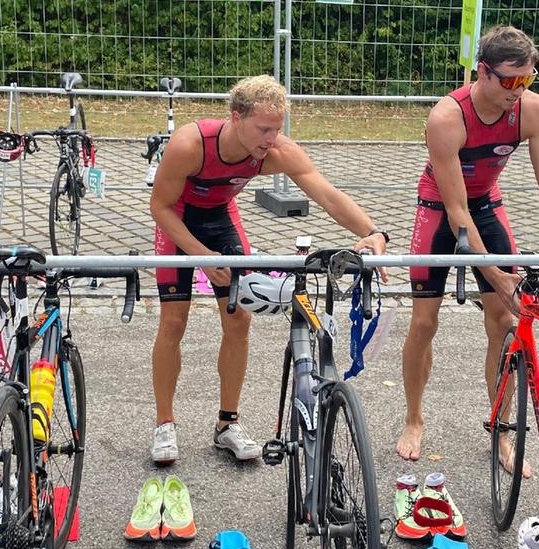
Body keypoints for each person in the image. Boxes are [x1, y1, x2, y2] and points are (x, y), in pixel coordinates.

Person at [397, 25, 539, 535]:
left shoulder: (534, 109)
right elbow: (457, 212)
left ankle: (500, 428)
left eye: (528, 80)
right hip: (442, 209)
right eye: (510, 81)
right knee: (425, 322)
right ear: (483, 71)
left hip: (489, 204)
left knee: (503, 321)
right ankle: (414, 415)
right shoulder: (447, 117)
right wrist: (495, 273)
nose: (518, 91)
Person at [147, 74, 388, 468]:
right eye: (263, 128)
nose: (270, 138)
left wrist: (373, 231)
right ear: (236, 117)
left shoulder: (276, 151)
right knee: (174, 322)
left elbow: (326, 194)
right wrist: (204, 257)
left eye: (277, 129)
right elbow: (159, 206)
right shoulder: (191, 144)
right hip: (178, 222)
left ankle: (227, 424)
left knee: (239, 320)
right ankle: (164, 424)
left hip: (222, 219)